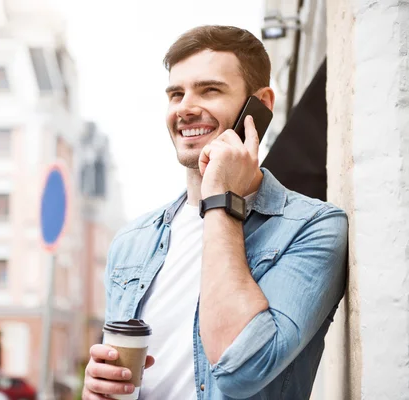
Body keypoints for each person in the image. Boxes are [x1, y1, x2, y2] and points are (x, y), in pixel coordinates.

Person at [81, 25, 348, 400]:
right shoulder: (132, 241)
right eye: (176, 93)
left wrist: (221, 197)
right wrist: (98, 389)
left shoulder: (314, 228)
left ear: (261, 105)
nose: (185, 108)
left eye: (210, 90)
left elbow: (242, 368)